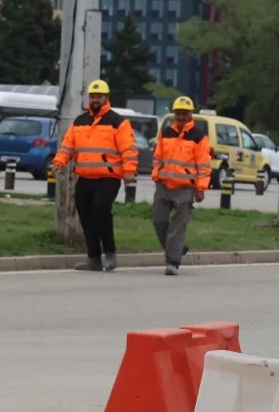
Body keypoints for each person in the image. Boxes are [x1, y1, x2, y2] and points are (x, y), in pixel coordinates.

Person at [54, 78, 138, 271]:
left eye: (99, 96)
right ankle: (93, 257)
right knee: (85, 214)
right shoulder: (80, 121)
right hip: (85, 177)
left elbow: (128, 150)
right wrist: (59, 162)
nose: (95, 100)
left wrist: (129, 171)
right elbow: (67, 146)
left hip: (108, 177)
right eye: (92, 96)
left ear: (107, 98)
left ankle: (110, 252)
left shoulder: (119, 122)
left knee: (100, 209)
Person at [151, 96, 211, 276]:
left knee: (178, 226)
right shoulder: (165, 133)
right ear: (174, 114)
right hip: (163, 185)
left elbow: (204, 165)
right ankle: (177, 248)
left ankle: (172, 261)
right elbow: (158, 157)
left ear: (191, 114)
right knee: (158, 221)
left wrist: (201, 188)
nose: (181, 117)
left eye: (185, 113)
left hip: (185, 188)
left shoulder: (199, 137)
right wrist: (156, 174)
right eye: (178, 113)